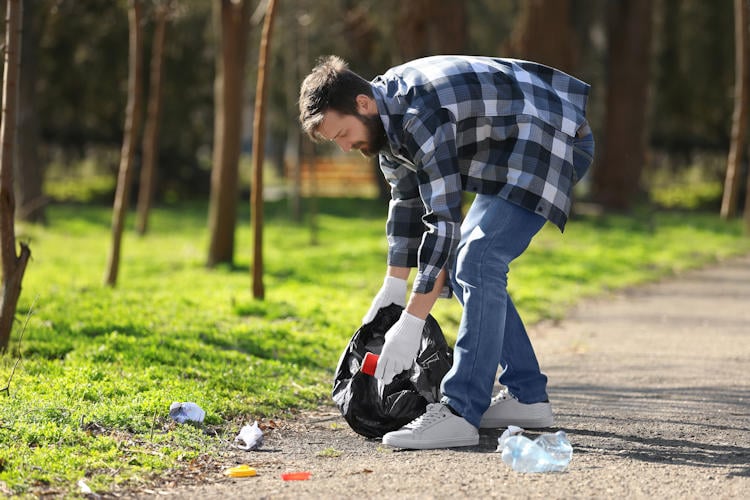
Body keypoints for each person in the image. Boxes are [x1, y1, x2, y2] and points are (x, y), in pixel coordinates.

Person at [298, 55, 594, 450]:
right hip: (509, 153)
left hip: (551, 137)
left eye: (342, 134)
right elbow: (405, 201)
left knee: (479, 259)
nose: (346, 146)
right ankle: (527, 397)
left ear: (362, 104)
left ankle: (461, 412)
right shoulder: (385, 125)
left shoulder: (420, 115)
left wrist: (413, 322)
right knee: (460, 262)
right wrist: (392, 288)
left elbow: (443, 220)